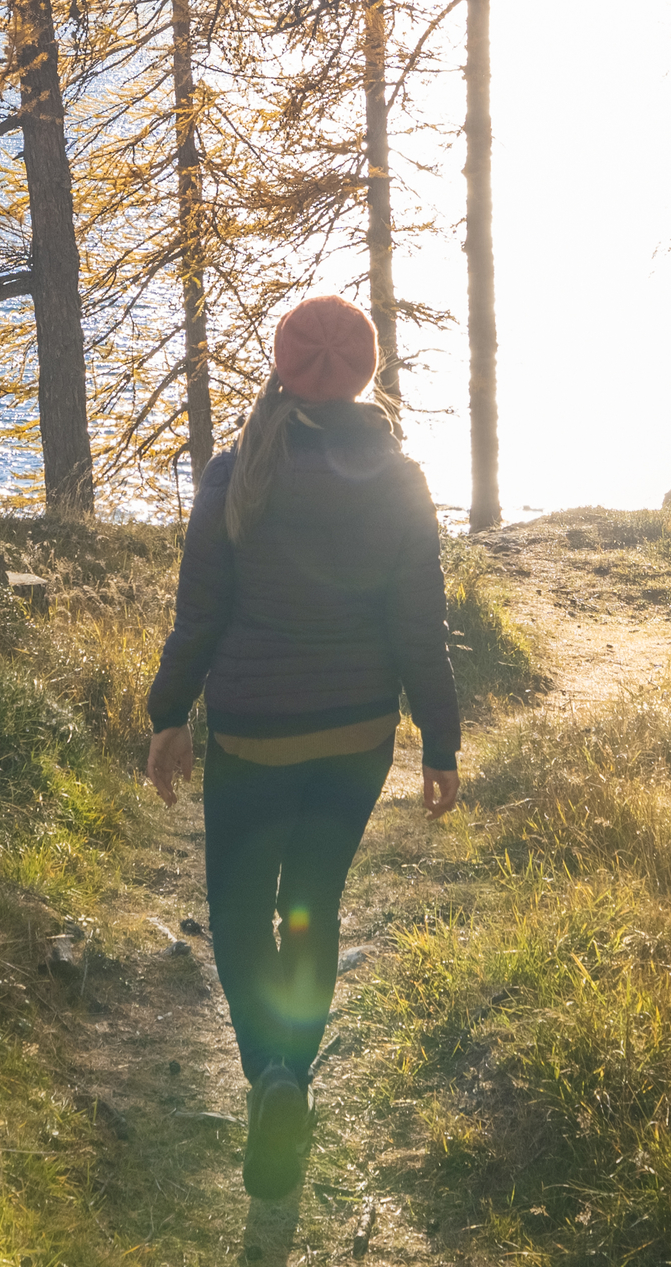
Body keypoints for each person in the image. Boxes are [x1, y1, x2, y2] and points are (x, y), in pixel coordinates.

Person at [144, 294, 462, 1203]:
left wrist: (168, 715)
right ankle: (297, 1071)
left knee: (243, 915)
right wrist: (440, 741)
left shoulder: (237, 469)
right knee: (312, 905)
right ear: (362, 374)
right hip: (358, 735)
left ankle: (271, 1080)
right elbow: (420, 627)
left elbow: (197, 616)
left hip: (251, 733)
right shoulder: (400, 478)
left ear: (286, 368)